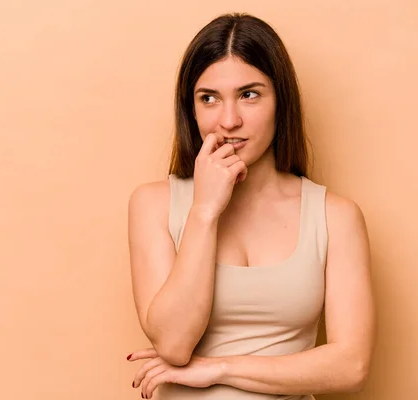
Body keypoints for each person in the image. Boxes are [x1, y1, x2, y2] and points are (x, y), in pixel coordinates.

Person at [126, 12, 375, 400]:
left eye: (249, 94)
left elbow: (351, 367)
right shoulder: (153, 204)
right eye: (209, 98)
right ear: (191, 110)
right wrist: (205, 211)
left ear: (281, 101)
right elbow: (174, 344)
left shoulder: (335, 216)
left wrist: (218, 369)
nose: (228, 120)